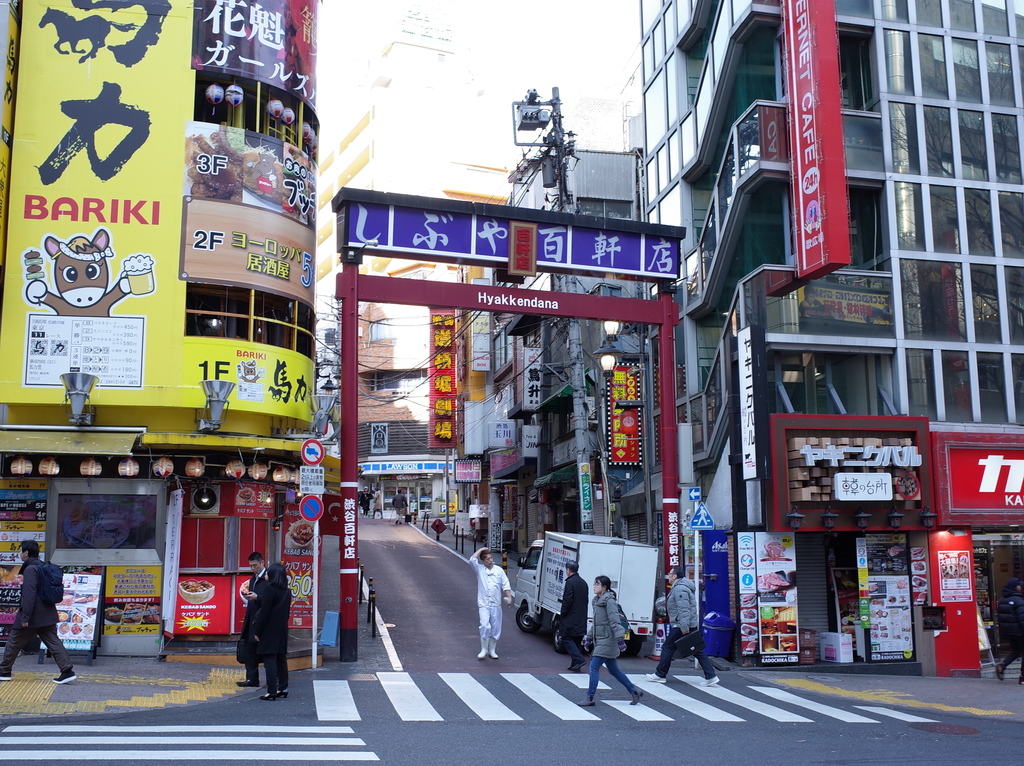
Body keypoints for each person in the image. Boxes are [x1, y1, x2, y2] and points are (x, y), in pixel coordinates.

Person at [0, 541, 76, 684]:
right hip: (47, 611)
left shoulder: (30, 569)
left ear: (26, 553)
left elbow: (29, 594)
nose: (19, 553)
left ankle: (4, 671)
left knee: (14, 640)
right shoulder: (42, 566)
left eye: (20, 551)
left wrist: (25, 616)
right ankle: (67, 671)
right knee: (53, 641)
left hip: (34, 614)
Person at [646, 566, 719, 687]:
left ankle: (660, 674)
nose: (668, 576)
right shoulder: (681, 587)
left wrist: (684, 627)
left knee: (667, 648)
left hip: (681, 625)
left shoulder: (680, 589)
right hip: (685, 624)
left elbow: (684, 609)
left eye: (670, 574)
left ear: (675, 576)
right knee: (697, 650)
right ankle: (711, 676)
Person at [578, 575, 642, 706]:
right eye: (594, 584)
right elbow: (597, 624)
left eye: (597, 584)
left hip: (607, 640)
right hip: (602, 639)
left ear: (604, 587)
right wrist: (589, 637)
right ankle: (633, 690)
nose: (594, 586)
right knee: (613, 670)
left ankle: (590, 697)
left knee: (594, 667)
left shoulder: (609, 602)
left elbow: (615, 621)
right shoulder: (597, 601)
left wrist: (620, 640)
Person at [252, 562, 292, 700]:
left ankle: (271, 691)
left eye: (268, 573)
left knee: (269, 659)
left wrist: (257, 630)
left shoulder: (270, 590)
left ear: (274, 575)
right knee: (281, 659)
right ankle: (283, 687)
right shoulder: (287, 591)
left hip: (269, 629)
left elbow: (264, 612)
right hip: (281, 629)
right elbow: (287, 613)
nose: (266, 575)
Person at [469, 547, 512, 660]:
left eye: (491, 558)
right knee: (484, 625)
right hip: (483, 603)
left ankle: (492, 650)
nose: (490, 560)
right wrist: (481, 549)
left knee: (496, 627)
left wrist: (508, 597)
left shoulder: (499, 570)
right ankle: (484, 649)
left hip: (496, 603)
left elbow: (505, 584)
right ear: (483, 561)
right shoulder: (480, 569)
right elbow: (472, 560)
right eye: (487, 559)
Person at [237, 551, 270, 688]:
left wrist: (258, 598)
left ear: (262, 563)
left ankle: (272, 681)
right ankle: (251, 679)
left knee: (267, 653)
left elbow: (272, 601)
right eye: (251, 566)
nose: (253, 568)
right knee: (249, 650)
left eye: (255, 565)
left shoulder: (269, 578)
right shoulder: (253, 579)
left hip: (263, 621)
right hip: (251, 619)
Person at [559, 560, 588, 672]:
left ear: (568, 570)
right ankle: (575, 665)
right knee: (577, 640)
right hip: (581, 616)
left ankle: (579, 659)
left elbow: (567, 600)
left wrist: (563, 613)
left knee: (566, 637)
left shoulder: (570, 582)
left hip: (571, 616)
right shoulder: (583, 583)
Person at [995, 577, 1024, 683]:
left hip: (1009, 632)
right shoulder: (1018, 600)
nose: (1021, 587)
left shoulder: (1002, 600)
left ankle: (1002, 665)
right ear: (1016, 587)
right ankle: (1023, 677)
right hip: (1019, 631)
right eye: (1019, 585)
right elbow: (1022, 617)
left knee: (1016, 651)